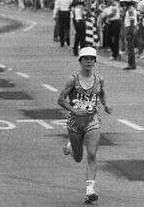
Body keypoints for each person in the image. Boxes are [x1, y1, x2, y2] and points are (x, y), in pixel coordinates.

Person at [57, 47, 112, 204]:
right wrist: (74, 109)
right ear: (80, 61)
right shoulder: (72, 80)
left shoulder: (99, 79)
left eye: (92, 58)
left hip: (92, 120)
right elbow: (60, 100)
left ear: (95, 61)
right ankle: (71, 144)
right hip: (75, 123)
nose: (89, 61)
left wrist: (106, 105)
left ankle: (90, 190)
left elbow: (101, 93)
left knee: (92, 154)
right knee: (78, 157)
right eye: (86, 58)